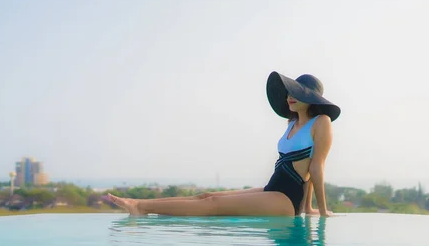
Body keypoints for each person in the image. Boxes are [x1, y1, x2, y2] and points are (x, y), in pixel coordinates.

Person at [107, 71, 341, 217]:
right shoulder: (291, 124)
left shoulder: (321, 122)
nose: (289, 96)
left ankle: (140, 207)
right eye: (290, 92)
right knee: (207, 195)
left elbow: (315, 167)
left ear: (310, 99)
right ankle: (141, 204)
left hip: (288, 198)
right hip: (273, 189)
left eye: (296, 93)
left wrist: (317, 210)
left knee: (214, 204)